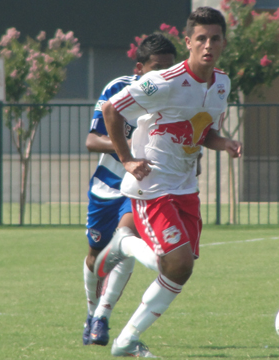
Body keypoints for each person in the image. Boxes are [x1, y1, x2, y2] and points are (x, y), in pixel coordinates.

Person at [95, 7, 242, 357]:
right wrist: (128, 159)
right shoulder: (165, 80)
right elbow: (111, 110)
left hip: (186, 187)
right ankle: (123, 247)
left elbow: (202, 131)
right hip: (153, 185)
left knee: (181, 270)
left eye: (215, 38)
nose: (208, 44)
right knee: (176, 262)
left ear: (223, 42)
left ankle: (126, 340)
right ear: (188, 42)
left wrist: (223, 143)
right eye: (201, 38)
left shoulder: (222, 83)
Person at [82, 34, 177, 346]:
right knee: (95, 257)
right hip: (107, 183)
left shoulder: (173, 93)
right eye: (156, 67)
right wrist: (130, 152)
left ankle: (102, 319)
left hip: (140, 185)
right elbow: (92, 140)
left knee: (127, 243)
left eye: (168, 67)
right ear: (139, 68)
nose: (162, 73)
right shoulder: (117, 89)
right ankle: (91, 312)